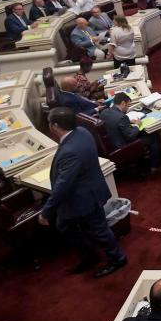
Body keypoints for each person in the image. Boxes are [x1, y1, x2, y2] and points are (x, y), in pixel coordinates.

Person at [38, 107, 127, 278]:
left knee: (98, 230)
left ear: (55, 126)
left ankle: (117, 259)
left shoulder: (69, 151)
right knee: (67, 225)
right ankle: (89, 256)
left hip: (84, 199)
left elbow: (63, 184)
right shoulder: (82, 132)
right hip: (89, 191)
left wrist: (47, 211)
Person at [101, 92, 161, 166]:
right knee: (153, 137)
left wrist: (128, 121)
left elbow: (114, 122)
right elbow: (130, 136)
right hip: (122, 146)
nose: (128, 108)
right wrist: (137, 125)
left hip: (111, 143)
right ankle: (155, 166)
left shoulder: (104, 112)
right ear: (123, 103)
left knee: (143, 133)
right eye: (128, 105)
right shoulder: (121, 117)